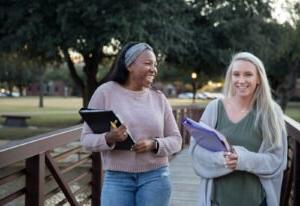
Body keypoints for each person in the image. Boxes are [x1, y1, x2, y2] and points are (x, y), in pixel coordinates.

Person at [81, 42, 182, 206]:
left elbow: (177, 140)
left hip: (156, 177)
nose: (154, 69)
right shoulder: (105, 92)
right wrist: (109, 138)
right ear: (129, 65)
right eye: (148, 63)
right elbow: (86, 140)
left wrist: (154, 144)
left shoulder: (159, 98)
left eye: (155, 65)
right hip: (117, 179)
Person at [189, 52, 287, 206]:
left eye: (248, 74)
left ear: (258, 79)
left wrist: (242, 160)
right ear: (230, 78)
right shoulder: (215, 108)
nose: (241, 80)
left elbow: (276, 161)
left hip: (255, 200)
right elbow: (196, 150)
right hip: (216, 200)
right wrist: (223, 159)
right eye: (236, 74)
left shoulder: (271, 113)